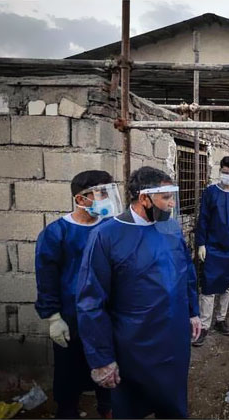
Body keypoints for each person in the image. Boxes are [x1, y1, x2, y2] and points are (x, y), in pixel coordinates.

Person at [76, 166, 202, 419]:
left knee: (173, 402)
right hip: (134, 343)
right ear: (145, 198)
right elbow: (91, 302)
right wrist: (102, 359)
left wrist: (192, 312)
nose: (172, 203)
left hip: (174, 339)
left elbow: (185, 271)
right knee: (130, 406)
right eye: (165, 197)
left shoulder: (170, 228)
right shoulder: (106, 236)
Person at [35, 170, 120, 419]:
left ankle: (107, 408)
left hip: (104, 315)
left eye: (108, 192)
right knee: (68, 371)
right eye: (101, 193)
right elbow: (46, 277)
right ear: (81, 199)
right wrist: (53, 317)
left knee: (107, 365)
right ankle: (67, 410)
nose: (106, 198)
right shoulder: (56, 233)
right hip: (71, 316)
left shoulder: (109, 228)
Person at [194, 156, 229, 346]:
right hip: (213, 246)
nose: (228, 176)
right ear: (220, 171)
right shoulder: (210, 192)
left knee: (227, 283)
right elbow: (203, 219)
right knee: (208, 285)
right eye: (225, 172)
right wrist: (201, 243)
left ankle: (221, 319)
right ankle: (204, 326)